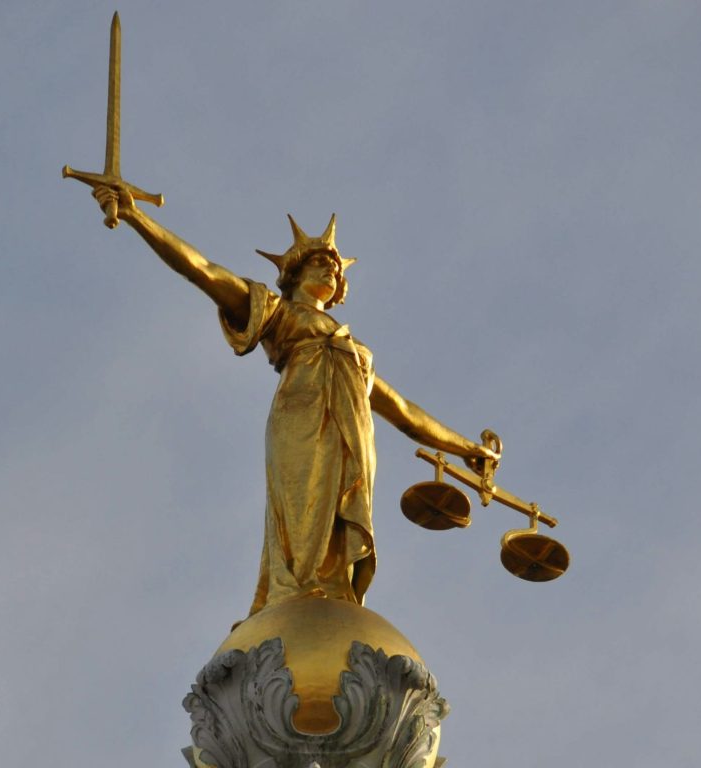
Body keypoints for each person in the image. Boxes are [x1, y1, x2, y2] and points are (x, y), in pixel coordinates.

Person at [92, 184, 501, 616]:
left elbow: (402, 412)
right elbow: (203, 271)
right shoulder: (279, 313)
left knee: (339, 515)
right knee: (302, 511)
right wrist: (137, 217)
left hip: (354, 436)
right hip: (302, 420)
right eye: (320, 263)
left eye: (335, 269)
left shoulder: (354, 349)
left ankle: (332, 588)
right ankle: (294, 593)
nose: (331, 271)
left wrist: (467, 448)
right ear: (294, 273)